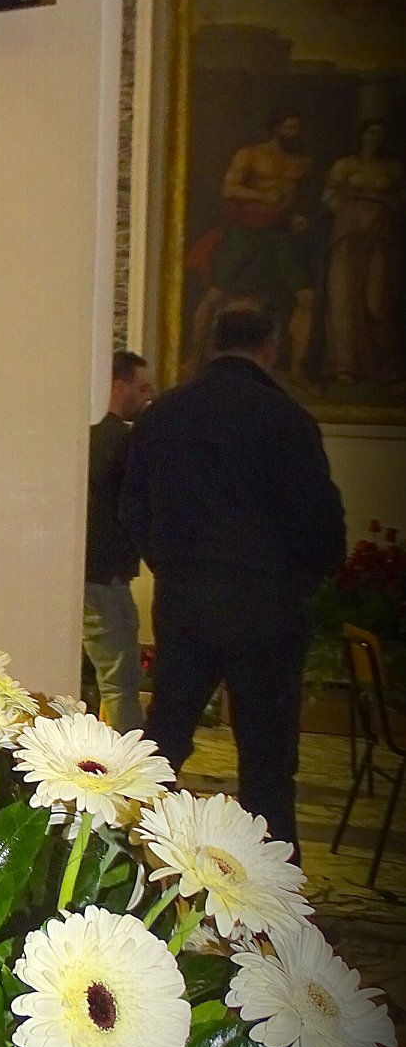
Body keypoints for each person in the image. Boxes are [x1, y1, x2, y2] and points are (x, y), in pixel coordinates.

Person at [121, 302, 346, 852]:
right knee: (268, 764)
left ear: (212, 344)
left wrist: (170, 566)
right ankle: (276, 899)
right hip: (269, 605)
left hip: (188, 597)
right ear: (269, 347)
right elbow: (321, 525)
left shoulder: (166, 413)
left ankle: (125, 863)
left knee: (164, 743)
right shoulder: (288, 419)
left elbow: (132, 508)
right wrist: (300, 581)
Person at [187, 109, 315, 377]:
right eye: (289, 128)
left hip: (280, 232)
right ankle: (196, 359)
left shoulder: (302, 162)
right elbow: (230, 188)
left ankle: (297, 369)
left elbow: (299, 199)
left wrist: (299, 215)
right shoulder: (251, 155)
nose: (293, 133)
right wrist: (263, 195)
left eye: (297, 129)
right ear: (276, 128)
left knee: (307, 296)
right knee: (215, 294)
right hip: (246, 229)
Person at [81, 350, 154, 731]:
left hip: (98, 572)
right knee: (120, 683)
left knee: (116, 678)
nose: (147, 397)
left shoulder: (89, 434)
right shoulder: (113, 439)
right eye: (141, 388)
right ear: (117, 384)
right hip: (103, 575)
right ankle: (130, 772)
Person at [320, 118, 405, 389]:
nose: (375, 138)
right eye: (371, 132)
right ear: (362, 134)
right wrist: (349, 214)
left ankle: (385, 366)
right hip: (348, 238)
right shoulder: (345, 164)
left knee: (377, 301)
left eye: (381, 133)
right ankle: (345, 365)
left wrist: (379, 207)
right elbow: (329, 195)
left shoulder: (392, 167)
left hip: (381, 239)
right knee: (343, 298)